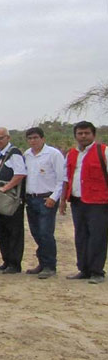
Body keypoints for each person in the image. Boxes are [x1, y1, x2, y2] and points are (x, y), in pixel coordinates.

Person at [60, 121, 108, 284]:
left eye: (86, 133)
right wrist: (62, 200)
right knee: (80, 236)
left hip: (99, 202)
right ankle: (84, 269)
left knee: (97, 236)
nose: (83, 136)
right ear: (75, 135)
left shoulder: (104, 151)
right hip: (77, 201)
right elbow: (66, 177)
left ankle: (97, 271)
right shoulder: (71, 154)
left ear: (93, 134)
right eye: (80, 133)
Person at [23, 127, 64, 279]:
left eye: (35, 138)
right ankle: (42, 262)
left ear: (43, 138)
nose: (33, 141)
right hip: (31, 199)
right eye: (30, 138)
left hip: (46, 198)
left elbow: (61, 179)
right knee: (36, 233)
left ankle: (50, 266)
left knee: (46, 233)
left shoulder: (53, 154)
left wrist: (54, 197)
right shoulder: (27, 155)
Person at [0, 127, 27, 274]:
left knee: (14, 231)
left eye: (1, 138)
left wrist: (6, 188)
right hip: (0, 198)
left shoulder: (14, 154)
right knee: (2, 231)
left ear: (8, 138)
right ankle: (6, 260)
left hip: (11, 198)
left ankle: (15, 264)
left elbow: (20, 173)